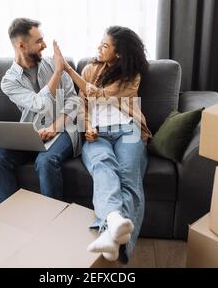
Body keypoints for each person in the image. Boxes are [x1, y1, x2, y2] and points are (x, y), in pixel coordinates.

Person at [54, 26, 151, 263]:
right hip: (97, 133)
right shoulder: (89, 69)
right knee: (102, 165)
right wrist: (87, 127)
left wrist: (67, 69)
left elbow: (99, 95)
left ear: (118, 54)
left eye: (105, 46)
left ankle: (111, 233)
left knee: (128, 174)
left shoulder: (132, 76)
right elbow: (83, 103)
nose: (98, 48)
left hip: (128, 130)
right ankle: (115, 222)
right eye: (100, 43)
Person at [0, 18, 81, 203]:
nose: (45, 45)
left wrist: (54, 127)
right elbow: (40, 104)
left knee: (46, 162)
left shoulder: (52, 64)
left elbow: (74, 102)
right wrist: (57, 72)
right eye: (39, 41)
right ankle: (12, 217)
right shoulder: (9, 82)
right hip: (34, 132)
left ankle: (53, 220)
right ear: (21, 45)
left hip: (64, 127)